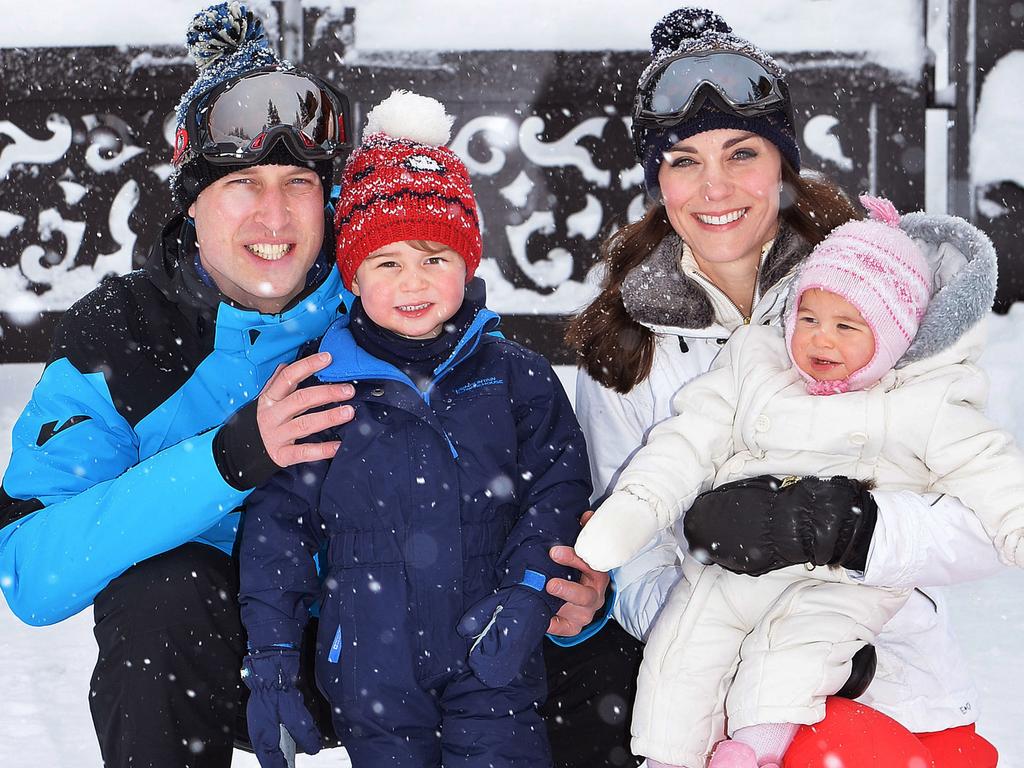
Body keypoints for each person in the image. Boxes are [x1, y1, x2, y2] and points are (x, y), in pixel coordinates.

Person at [0, 4, 608, 767]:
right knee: (158, 598)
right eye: (241, 183)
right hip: (246, 653)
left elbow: (522, 468)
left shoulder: (390, 299)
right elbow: (32, 570)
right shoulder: (123, 335)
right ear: (191, 200)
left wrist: (576, 601)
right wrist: (225, 461)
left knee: (603, 647)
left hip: (421, 639)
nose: (275, 214)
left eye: (298, 181)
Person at [566, 7, 1001, 768]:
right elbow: (631, 559)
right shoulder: (626, 344)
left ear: (783, 163)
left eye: (742, 153)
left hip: (890, 676)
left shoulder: (872, 291)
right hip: (718, 705)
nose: (716, 187)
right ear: (656, 180)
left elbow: (978, 516)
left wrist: (846, 528)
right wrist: (724, 609)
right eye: (684, 161)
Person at [236, 90, 592, 768]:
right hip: (372, 674)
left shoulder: (515, 377)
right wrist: (275, 655)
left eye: (435, 257)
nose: (414, 281)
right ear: (353, 275)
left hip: (494, 657)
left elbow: (558, 488)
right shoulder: (320, 387)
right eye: (387, 262)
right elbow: (278, 530)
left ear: (468, 263)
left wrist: (524, 590)